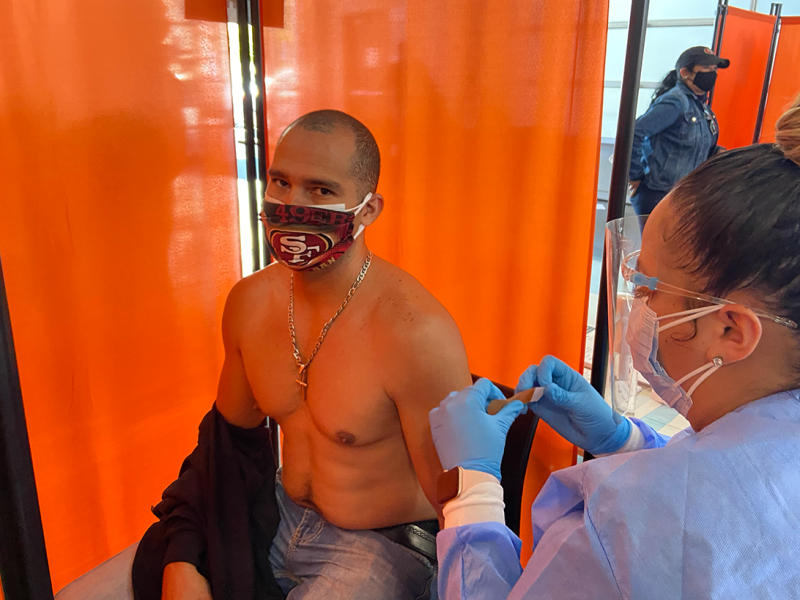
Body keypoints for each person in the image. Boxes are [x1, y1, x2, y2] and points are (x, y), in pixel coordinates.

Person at [430, 98, 800, 598]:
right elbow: (732, 491)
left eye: (647, 287)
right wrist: (625, 442)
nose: (638, 304)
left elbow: (685, 519)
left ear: (731, 331)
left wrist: (471, 492)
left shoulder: (626, 528)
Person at [163, 110, 472, 599]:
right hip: (278, 515)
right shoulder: (249, 303)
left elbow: (461, 504)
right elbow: (226, 447)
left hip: (381, 545)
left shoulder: (416, 333)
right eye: (281, 182)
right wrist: (183, 554)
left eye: (321, 190)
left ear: (368, 210)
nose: (291, 205)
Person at [628, 47, 729, 218]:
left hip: (682, 194)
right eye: (706, 68)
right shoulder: (675, 102)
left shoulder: (700, 106)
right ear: (685, 73)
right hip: (659, 194)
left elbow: (688, 142)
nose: (712, 74)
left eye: (714, 69)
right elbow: (635, 133)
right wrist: (635, 175)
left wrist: (716, 152)